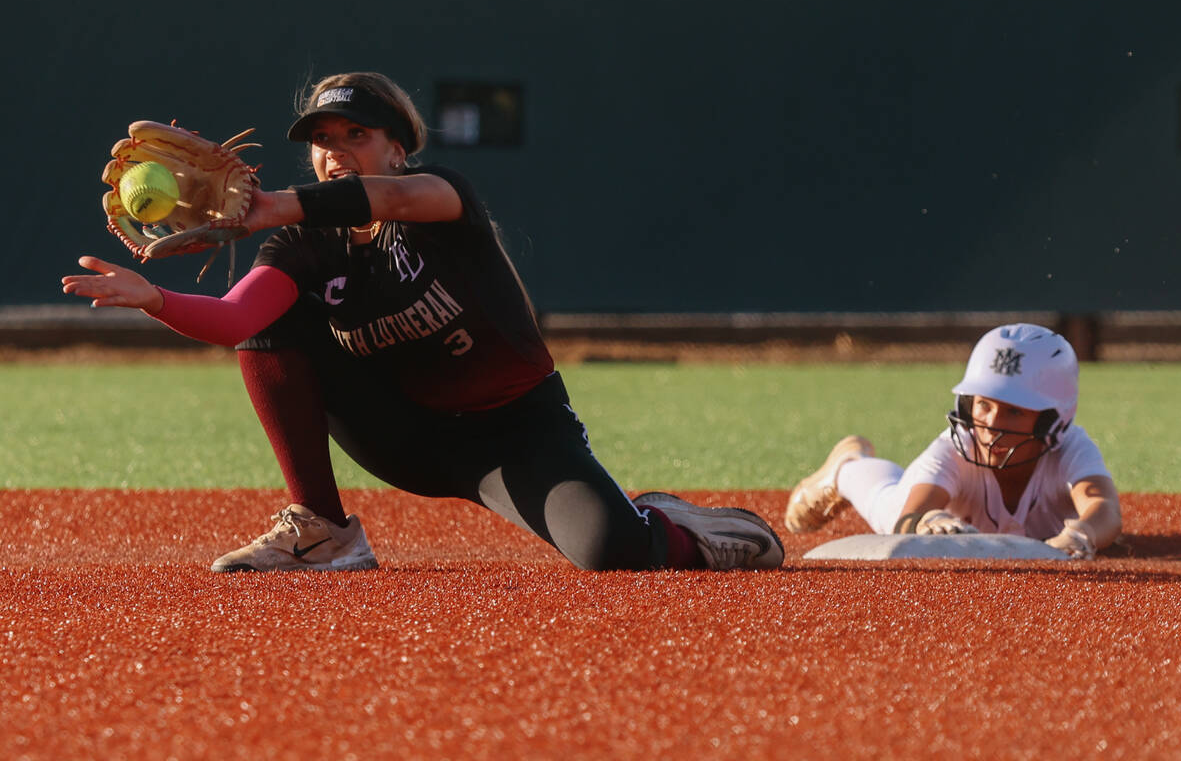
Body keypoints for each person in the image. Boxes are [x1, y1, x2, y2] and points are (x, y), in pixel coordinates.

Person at [64, 71, 784, 573]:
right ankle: (322, 530)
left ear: (397, 149)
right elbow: (238, 319)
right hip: (405, 433)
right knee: (284, 318)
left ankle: (682, 527)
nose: (334, 149)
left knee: (610, 554)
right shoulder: (305, 243)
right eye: (322, 138)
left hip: (516, 433)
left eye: (356, 132)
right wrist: (155, 300)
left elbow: (399, 200)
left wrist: (281, 203)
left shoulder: (440, 199)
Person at [784, 323, 1121, 559]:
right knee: (885, 502)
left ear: (1054, 418)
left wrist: (1083, 534)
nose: (991, 423)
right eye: (983, 404)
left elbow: (1104, 509)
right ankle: (846, 466)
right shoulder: (955, 447)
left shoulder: (1071, 447)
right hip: (922, 507)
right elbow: (908, 517)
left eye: (1014, 411)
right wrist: (928, 521)